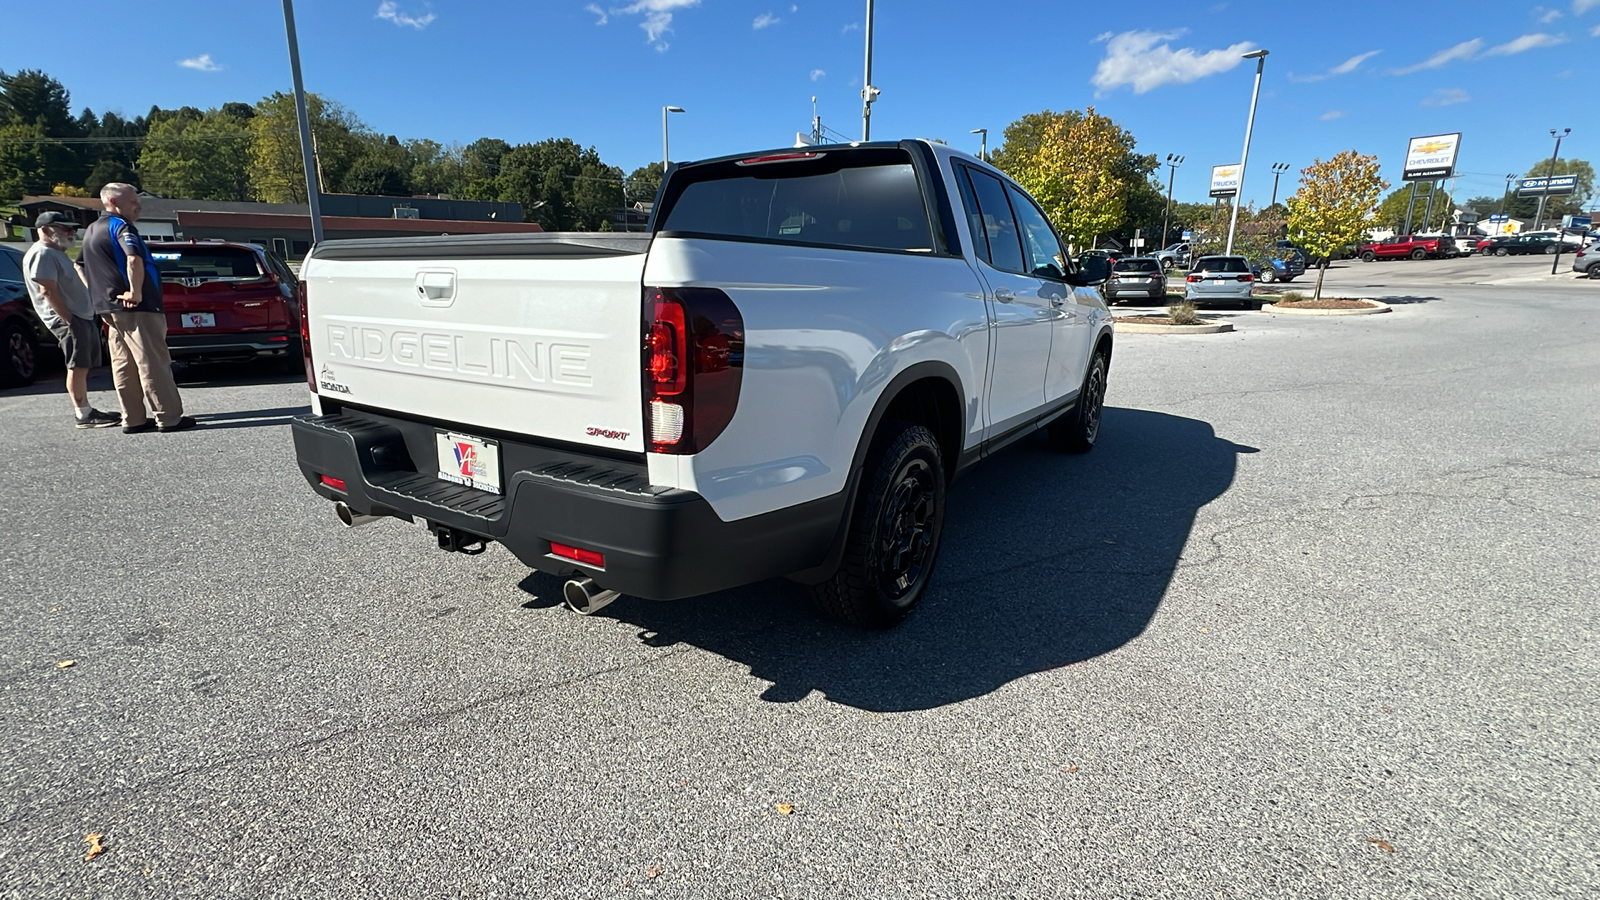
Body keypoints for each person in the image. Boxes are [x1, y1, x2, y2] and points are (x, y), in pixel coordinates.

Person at [78, 182, 195, 434]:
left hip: (109, 307)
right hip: (137, 307)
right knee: (152, 360)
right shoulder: (120, 226)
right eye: (133, 202)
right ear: (113, 202)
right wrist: (136, 291)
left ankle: (133, 418)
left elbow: (79, 265)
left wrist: (97, 293)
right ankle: (168, 417)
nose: (138, 206)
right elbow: (133, 258)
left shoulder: (90, 231)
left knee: (123, 362)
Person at [22, 212, 120, 428]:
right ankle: (84, 414)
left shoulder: (55, 253)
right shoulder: (43, 253)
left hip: (79, 317)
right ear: (46, 230)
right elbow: (47, 290)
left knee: (83, 365)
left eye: (72, 229)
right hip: (69, 319)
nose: (71, 232)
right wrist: (69, 319)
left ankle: (87, 409)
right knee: (77, 366)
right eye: (64, 228)